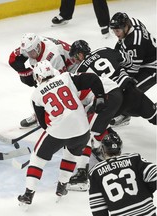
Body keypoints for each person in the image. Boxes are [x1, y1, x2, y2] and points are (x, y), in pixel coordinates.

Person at [66, 40, 156, 190]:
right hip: (131, 92)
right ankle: (107, 142)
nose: (75, 61)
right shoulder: (104, 49)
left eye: (76, 57)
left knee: (91, 129)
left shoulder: (81, 71)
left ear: (81, 54)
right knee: (154, 115)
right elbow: (127, 60)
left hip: (114, 101)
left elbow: (85, 96)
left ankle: (85, 169)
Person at [17, 60, 107, 206]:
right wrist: (101, 97)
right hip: (82, 130)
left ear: (38, 77)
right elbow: (92, 78)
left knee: (37, 159)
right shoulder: (66, 77)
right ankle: (62, 186)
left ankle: (28, 194)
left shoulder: (35, 95)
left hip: (58, 131)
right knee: (71, 155)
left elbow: (43, 123)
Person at [9, 33, 77, 128]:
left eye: (31, 52)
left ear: (38, 47)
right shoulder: (32, 44)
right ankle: (44, 112)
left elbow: (62, 81)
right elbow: (13, 58)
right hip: (60, 65)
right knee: (41, 84)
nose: (29, 55)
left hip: (74, 68)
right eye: (27, 52)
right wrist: (24, 72)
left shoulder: (52, 56)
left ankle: (62, 109)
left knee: (55, 87)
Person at [89, 133, 157, 216]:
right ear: (120, 149)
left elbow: (98, 207)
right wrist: (147, 190)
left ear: (103, 150)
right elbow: (154, 175)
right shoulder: (134, 158)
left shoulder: (95, 172)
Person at [109, 12, 157, 126]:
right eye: (114, 31)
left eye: (118, 30)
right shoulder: (133, 22)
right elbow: (121, 44)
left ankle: (128, 114)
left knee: (130, 92)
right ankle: (125, 113)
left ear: (126, 27)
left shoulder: (134, 43)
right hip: (144, 60)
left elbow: (132, 71)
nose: (116, 34)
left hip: (153, 67)